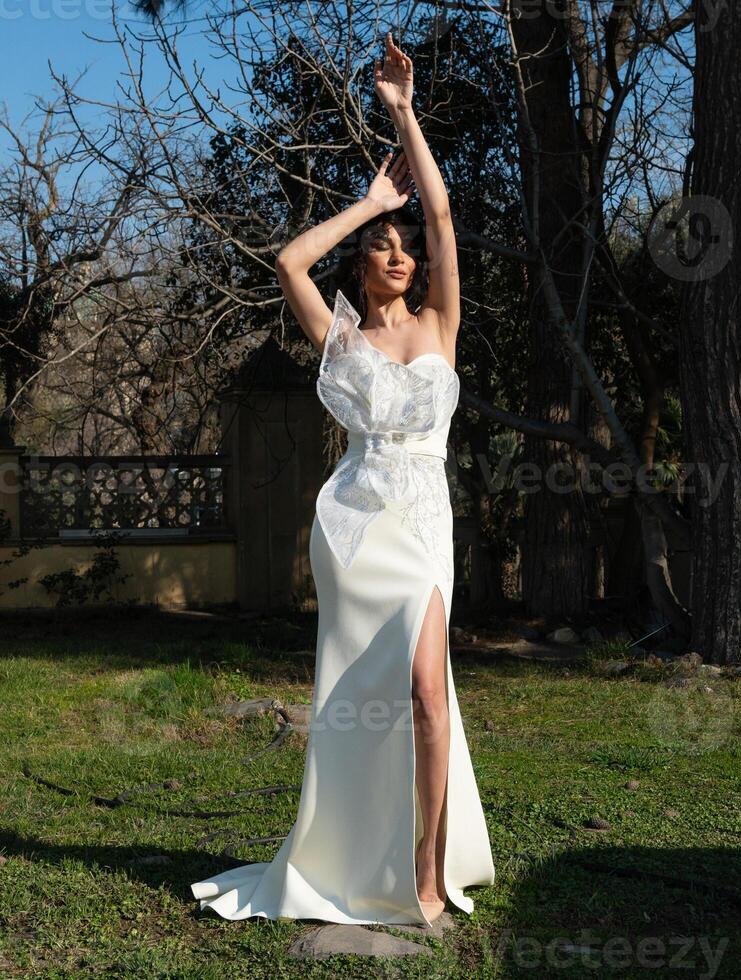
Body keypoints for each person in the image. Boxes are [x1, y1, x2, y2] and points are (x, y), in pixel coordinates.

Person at [190, 30, 494, 930]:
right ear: (363, 264)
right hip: (357, 528)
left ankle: (428, 877)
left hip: (424, 521)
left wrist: (404, 113)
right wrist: (366, 206)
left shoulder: (440, 324)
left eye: (403, 246)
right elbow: (287, 263)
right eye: (383, 247)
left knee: (430, 694)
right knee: (371, 698)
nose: (399, 252)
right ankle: (354, 854)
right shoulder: (343, 339)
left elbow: (441, 217)